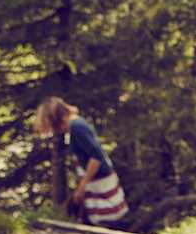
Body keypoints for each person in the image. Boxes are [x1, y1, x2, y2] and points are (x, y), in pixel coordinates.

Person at [34, 96, 129, 227]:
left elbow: (96, 157)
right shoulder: (74, 127)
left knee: (108, 221)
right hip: (95, 181)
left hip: (101, 182)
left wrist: (82, 185)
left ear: (58, 120)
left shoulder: (77, 127)